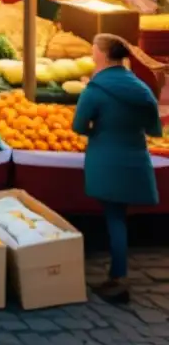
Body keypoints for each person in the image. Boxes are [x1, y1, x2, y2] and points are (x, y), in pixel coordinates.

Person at [72, 33, 162, 304]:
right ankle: (118, 272)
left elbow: (78, 126)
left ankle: (119, 277)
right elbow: (154, 129)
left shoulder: (95, 90)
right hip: (135, 159)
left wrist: (100, 128)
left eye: (93, 47)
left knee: (114, 218)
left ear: (102, 54)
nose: (91, 51)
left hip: (106, 160)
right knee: (120, 217)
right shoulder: (142, 89)